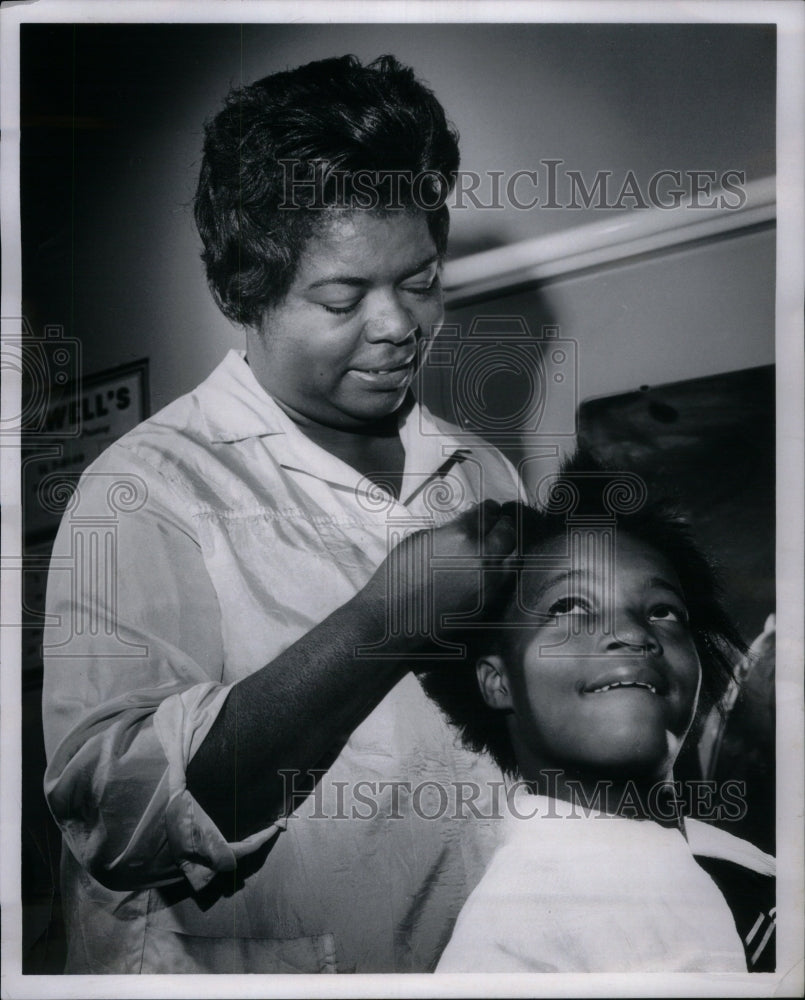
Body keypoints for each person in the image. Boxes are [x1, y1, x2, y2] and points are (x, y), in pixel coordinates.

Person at [42, 55, 525, 974]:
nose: (396, 326)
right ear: (240, 292)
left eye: (419, 280)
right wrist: (385, 621)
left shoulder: (485, 471)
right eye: (342, 297)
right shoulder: (143, 491)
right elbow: (115, 818)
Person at [423, 458, 776, 973]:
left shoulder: (735, 861)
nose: (634, 633)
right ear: (498, 682)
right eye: (568, 608)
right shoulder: (512, 944)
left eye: (662, 611)